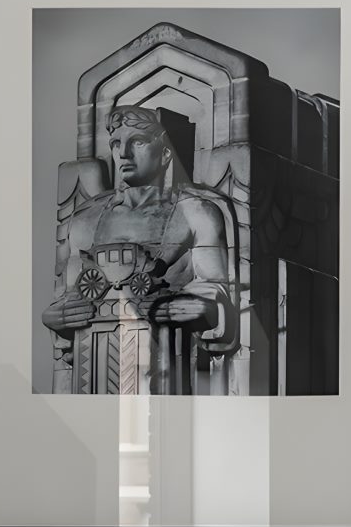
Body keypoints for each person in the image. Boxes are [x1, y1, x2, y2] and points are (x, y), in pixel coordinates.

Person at [42, 104, 235, 363]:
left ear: (166, 153)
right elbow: (70, 296)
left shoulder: (198, 213)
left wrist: (194, 305)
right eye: (115, 143)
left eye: (138, 142)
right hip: (95, 362)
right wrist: (57, 317)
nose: (123, 153)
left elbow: (215, 288)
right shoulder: (85, 221)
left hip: (167, 362)